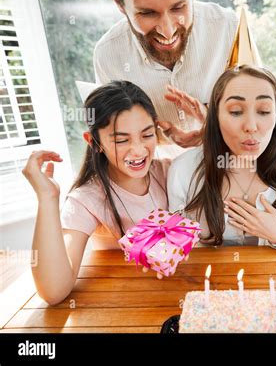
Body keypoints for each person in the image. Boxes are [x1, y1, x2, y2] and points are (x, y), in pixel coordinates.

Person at [22, 81, 170, 305]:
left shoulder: (171, 172)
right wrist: (47, 198)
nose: (139, 150)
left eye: (147, 135)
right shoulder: (87, 199)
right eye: (122, 140)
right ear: (94, 142)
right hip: (125, 304)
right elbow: (53, 291)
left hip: (175, 294)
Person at [167, 65, 276, 247]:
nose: (251, 126)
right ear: (216, 115)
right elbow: (177, 248)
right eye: (235, 112)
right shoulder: (183, 170)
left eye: (264, 111)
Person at [94, 0, 238, 151]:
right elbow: (115, 139)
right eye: (147, 13)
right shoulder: (107, 56)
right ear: (119, 3)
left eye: (178, 8)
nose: (168, 32)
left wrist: (214, 122)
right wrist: (157, 137)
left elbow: (261, 114)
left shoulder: (228, 27)